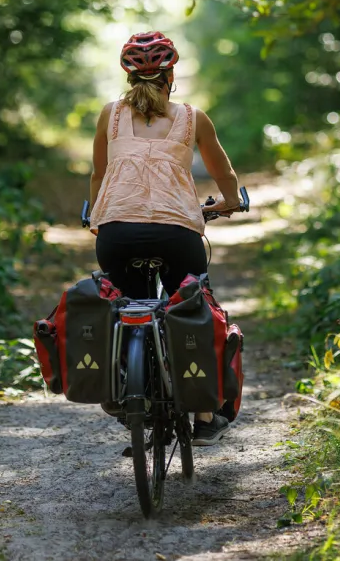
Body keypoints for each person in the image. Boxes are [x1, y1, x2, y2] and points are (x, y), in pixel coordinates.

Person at [89, 30, 240, 445]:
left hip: (116, 233)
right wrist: (230, 202)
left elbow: (99, 175)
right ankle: (206, 417)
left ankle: (127, 392)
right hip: (177, 232)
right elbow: (223, 173)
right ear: (170, 75)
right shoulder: (194, 118)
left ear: (128, 78)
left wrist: (97, 218)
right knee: (192, 308)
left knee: (124, 304)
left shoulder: (110, 115)